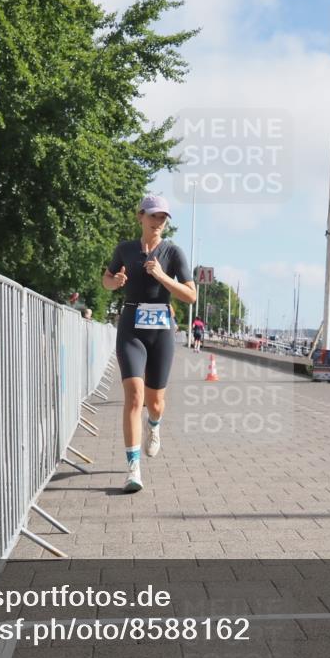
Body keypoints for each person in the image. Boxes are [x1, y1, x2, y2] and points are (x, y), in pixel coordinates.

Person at [102, 193, 196, 493]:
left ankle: (154, 426)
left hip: (161, 330)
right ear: (140, 216)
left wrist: (161, 276)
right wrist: (114, 283)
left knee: (154, 403)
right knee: (134, 396)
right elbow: (106, 278)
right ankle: (133, 469)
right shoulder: (125, 249)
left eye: (163, 217)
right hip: (131, 326)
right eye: (154, 215)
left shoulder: (173, 253)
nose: (159, 221)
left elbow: (191, 296)